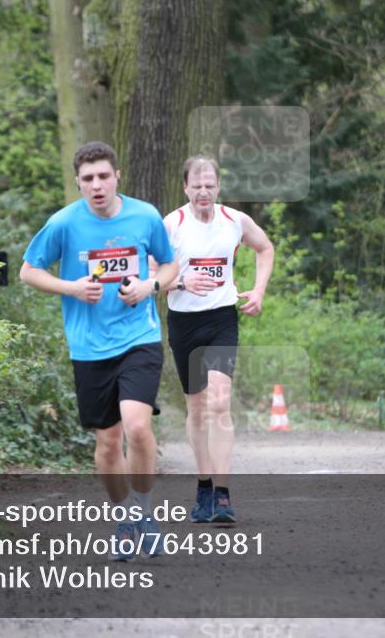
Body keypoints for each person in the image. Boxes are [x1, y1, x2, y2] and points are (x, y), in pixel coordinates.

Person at [19, 141, 178, 559]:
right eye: (88, 179)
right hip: (89, 347)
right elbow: (28, 270)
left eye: (104, 176)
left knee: (138, 427)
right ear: (78, 183)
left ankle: (145, 514)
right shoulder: (64, 224)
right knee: (108, 443)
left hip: (138, 338)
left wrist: (150, 286)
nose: (97, 185)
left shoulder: (144, 215)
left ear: (117, 176)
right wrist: (70, 287)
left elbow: (170, 263)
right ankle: (124, 520)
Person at [161, 155, 274, 523]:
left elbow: (265, 248)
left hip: (222, 319)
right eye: (197, 186)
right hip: (183, 322)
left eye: (210, 185)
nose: (204, 192)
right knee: (196, 409)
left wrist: (258, 291)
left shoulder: (234, 221)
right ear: (186, 188)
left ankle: (223, 497)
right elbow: (150, 276)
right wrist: (180, 281)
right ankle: (204, 486)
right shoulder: (171, 225)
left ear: (218, 187)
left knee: (220, 404)